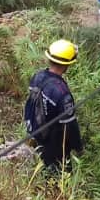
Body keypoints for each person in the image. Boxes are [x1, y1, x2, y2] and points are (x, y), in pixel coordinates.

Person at [24, 39, 83, 172]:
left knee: (40, 168)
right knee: (60, 175)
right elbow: (70, 126)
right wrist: (79, 148)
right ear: (67, 65)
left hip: (35, 133)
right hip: (54, 145)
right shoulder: (63, 94)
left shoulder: (37, 76)